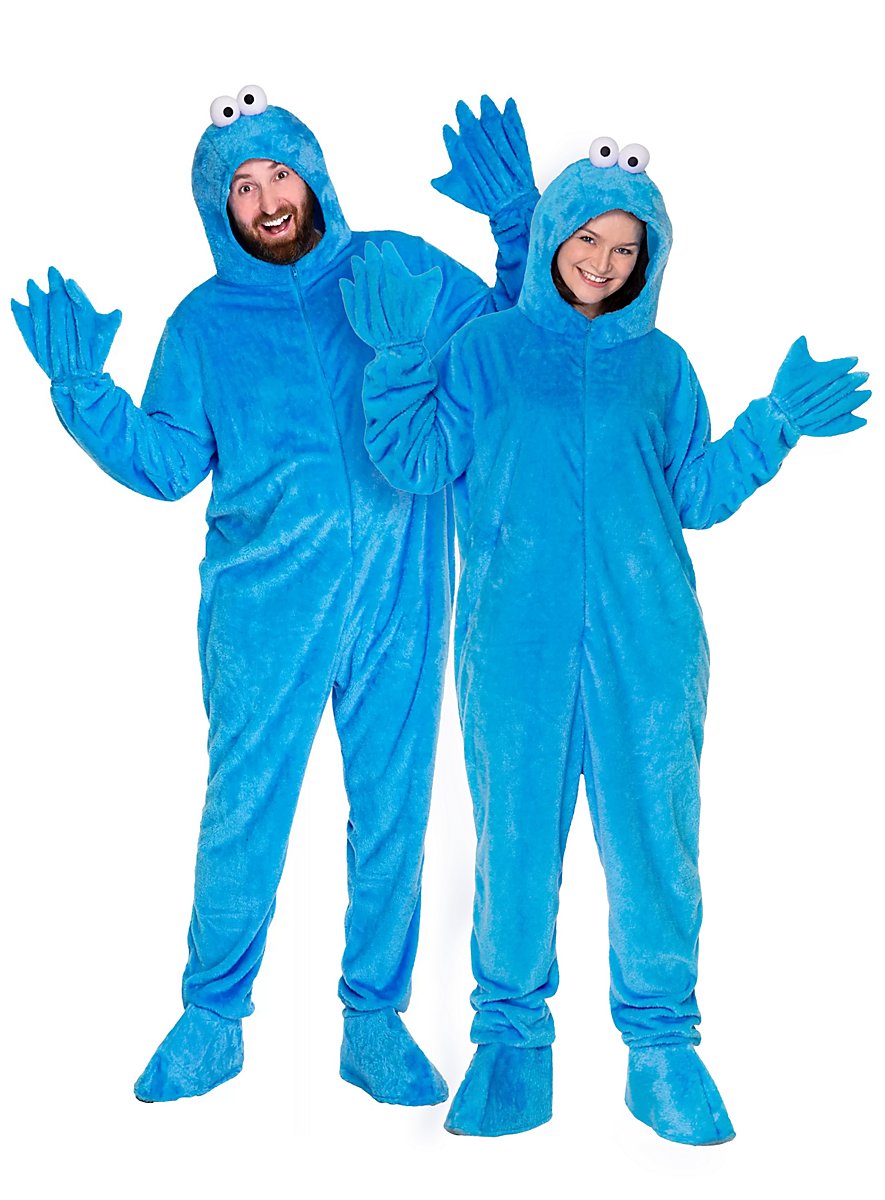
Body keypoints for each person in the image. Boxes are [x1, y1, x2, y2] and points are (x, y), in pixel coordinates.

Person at [11, 85, 539, 1106]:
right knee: (244, 812)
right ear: (219, 207)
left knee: (393, 811)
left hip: (401, 598)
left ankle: (372, 1022)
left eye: (279, 174)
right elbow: (169, 462)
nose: (266, 200)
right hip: (263, 613)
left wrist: (517, 227)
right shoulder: (204, 324)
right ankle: (213, 1017)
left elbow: (506, 349)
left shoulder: (393, 267)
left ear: (314, 176)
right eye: (242, 187)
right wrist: (84, 394)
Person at [340, 136, 870, 1141]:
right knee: (512, 843)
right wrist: (400, 362)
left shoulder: (662, 367)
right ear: (553, 235)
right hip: (512, 649)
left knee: (654, 846)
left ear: (649, 259)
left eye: (627, 249)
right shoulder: (488, 350)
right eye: (587, 239)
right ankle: (510, 1042)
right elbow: (415, 458)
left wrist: (772, 424)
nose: (603, 262)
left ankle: (662, 1048)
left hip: (651, 647)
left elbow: (694, 494)